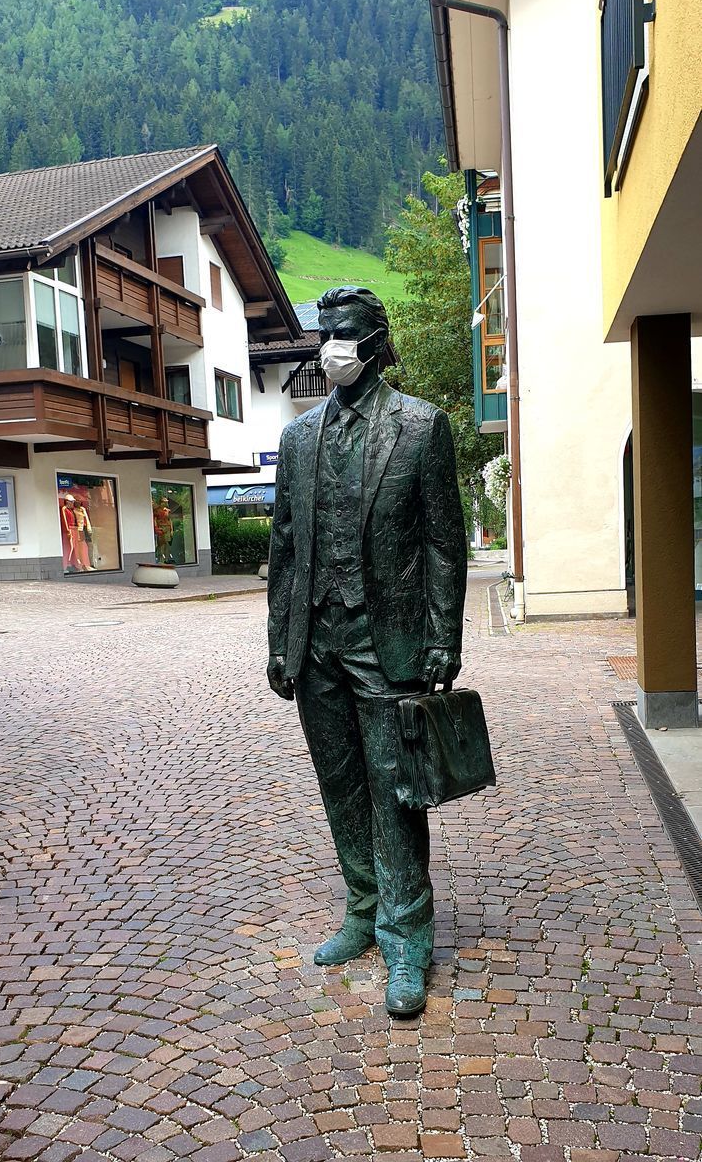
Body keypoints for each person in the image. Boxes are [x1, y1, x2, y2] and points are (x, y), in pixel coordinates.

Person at [267, 286, 466, 1016]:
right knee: (341, 784)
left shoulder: (420, 427)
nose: (332, 348)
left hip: (388, 641)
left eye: (345, 335)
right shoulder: (297, 437)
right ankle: (362, 908)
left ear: (376, 342)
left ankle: (407, 933)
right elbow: (285, 545)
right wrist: (278, 638)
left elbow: (444, 544)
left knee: (395, 788)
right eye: (325, 334)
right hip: (314, 640)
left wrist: (444, 635)